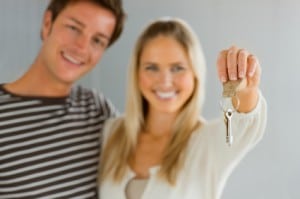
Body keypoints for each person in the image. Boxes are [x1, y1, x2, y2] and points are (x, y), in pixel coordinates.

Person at [99, 17, 267, 199]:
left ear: (195, 73)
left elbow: (243, 125)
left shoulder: (208, 143)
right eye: (152, 68)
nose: (165, 81)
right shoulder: (111, 133)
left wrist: (244, 90)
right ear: (136, 73)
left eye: (178, 68)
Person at [0, 0, 125, 198]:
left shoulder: (98, 109)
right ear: (47, 23)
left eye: (97, 41)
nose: (81, 47)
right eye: (74, 28)